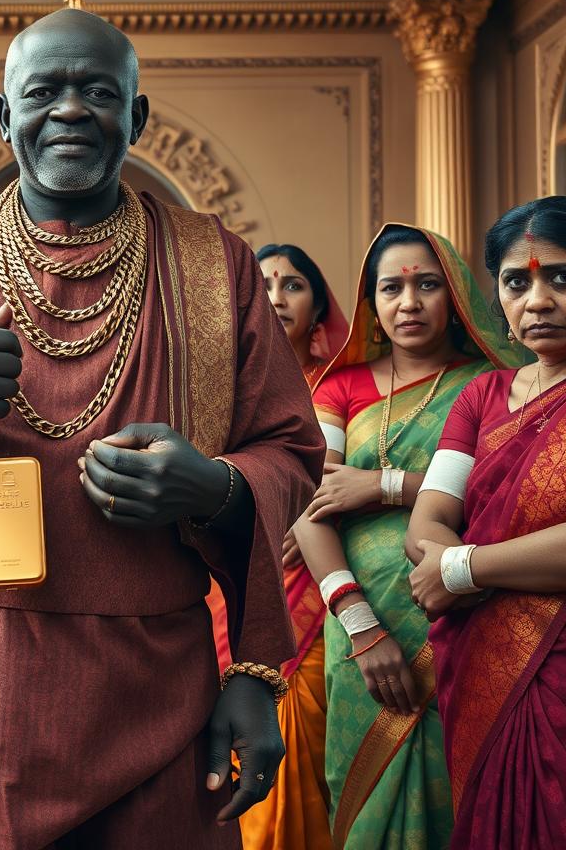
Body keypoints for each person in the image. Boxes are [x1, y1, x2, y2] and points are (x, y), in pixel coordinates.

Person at [0, 8, 324, 849]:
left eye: (99, 92)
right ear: (6, 116)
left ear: (135, 118)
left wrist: (215, 487)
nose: (71, 110)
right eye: (43, 91)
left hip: (154, 693)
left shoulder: (215, 266)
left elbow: (290, 454)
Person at [292, 224, 519, 850]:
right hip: (361, 627)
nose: (409, 303)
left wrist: (380, 485)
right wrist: (360, 626)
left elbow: (514, 491)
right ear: (372, 301)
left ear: (457, 297)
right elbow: (311, 506)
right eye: (391, 288)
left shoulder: (495, 384)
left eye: (427, 285)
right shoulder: (342, 387)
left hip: (466, 616)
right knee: (366, 813)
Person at [407, 196, 566, 849]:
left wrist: (459, 567)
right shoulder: (482, 397)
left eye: (563, 278)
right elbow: (431, 518)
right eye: (518, 282)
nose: (538, 299)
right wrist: (439, 554)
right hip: (480, 662)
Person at [238, 244, 347, 850]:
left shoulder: (345, 388)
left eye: (294, 284)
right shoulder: (216, 387)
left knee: (298, 727)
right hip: (227, 583)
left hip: (317, 587)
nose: (277, 295)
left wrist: (306, 517)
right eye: (264, 283)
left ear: (319, 304)